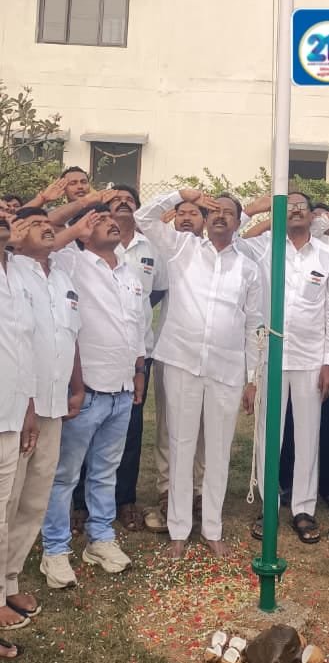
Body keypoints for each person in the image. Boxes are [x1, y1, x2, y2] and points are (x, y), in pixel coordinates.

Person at [136, 188, 263, 559]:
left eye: (229, 213)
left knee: (219, 449)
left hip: (226, 367)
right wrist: (180, 195)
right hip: (181, 361)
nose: (221, 216)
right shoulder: (181, 248)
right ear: (206, 220)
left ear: (239, 223)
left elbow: (254, 325)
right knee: (181, 444)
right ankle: (178, 529)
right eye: (215, 211)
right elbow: (145, 218)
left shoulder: (248, 267)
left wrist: (252, 377)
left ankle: (212, 527)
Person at [40, 204, 146, 587]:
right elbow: (44, 244)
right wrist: (79, 222)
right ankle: (55, 548)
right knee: (64, 475)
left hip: (120, 390)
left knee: (105, 472)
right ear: (82, 232)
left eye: (111, 219)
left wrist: (138, 371)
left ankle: (100, 538)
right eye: (98, 221)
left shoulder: (130, 272)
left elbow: (138, 327)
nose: (109, 223)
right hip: (86, 392)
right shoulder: (72, 262)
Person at [239, 192, 329, 546]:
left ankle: (303, 507)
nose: (296, 211)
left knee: (307, 433)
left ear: (315, 215)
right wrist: (271, 214)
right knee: (271, 433)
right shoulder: (267, 245)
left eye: (302, 206)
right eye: (290, 206)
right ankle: (270, 505)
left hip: (311, 359)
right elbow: (239, 238)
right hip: (270, 355)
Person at [70, 187, 168, 532]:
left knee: (128, 432)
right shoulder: (78, 256)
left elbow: (150, 299)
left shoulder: (147, 249)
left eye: (129, 200)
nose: (122, 204)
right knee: (83, 433)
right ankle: (80, 504)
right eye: (113, 203)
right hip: (91, 362)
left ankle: (124, 500)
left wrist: (139, 360)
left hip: (135, 358)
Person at [5, 209, 84, 614]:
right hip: (18, 406)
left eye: (47, 224)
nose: (46, 228)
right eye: (35, 224)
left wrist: (77, 385)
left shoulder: (64, 277)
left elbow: (71, 335)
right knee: (8, 498)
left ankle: (11, 577)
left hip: (53, 406)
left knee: (35, 497)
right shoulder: (11, 270)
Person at [144, 196, 207, 535]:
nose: (185, 218)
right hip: (172, 351)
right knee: (170, 427)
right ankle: (168, 492)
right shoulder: (168, 248)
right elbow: (144, 216)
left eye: (193, 213)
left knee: (204, 430)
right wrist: (180, 194)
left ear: (205, 220)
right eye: (180, 213)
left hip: (211, 356)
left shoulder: (221, 252)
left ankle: (198, 493)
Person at [0, 202, 37, 659]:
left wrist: (28, 406)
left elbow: (20, 346)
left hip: (10, 413)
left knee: (4, 508)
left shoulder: (16, 276)